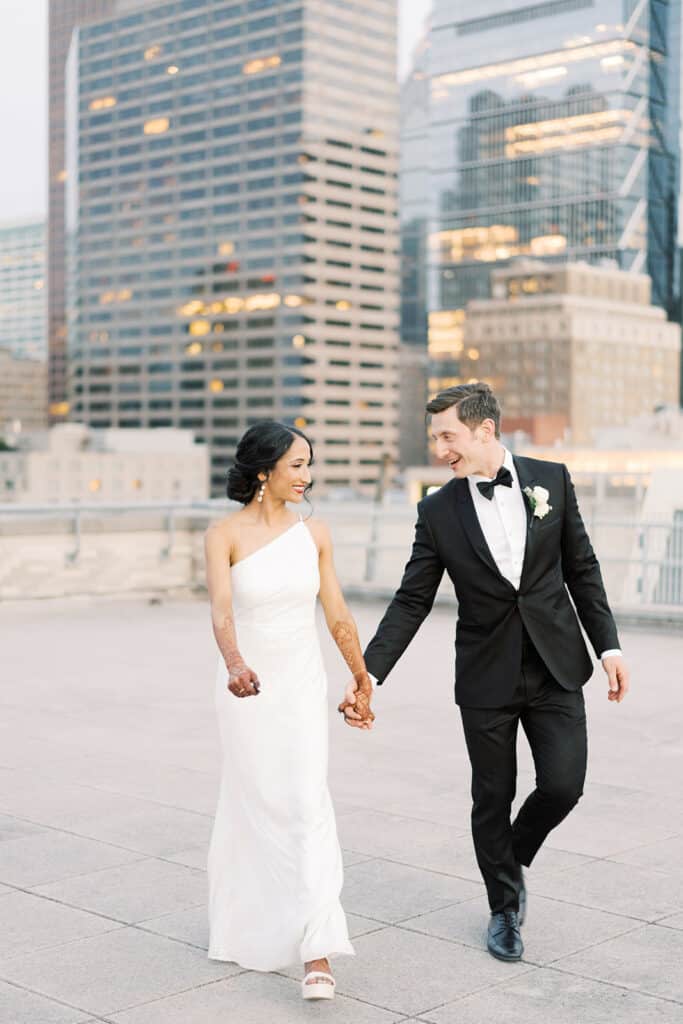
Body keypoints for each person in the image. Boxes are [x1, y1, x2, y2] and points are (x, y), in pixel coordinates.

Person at [339, 382, 629, 962]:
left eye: (448, 436)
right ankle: (503, 907)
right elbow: (411, 600)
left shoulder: (553, 479)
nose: (441, 448)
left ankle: (510, 858)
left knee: (563, 786)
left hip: (556, 665)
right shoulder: (437, 509)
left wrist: (610, 649)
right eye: (436, 437)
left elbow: (583, 568)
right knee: (491, 797)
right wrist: (368, 672)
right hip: (485, 675)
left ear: (485, 430)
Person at [205, 420, 374, 1000]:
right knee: (257, 799)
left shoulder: (316, 533)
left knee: (305, 801)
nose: (307, 475)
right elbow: (223, 613)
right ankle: (255, 920)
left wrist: (360, 675)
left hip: (302, 683)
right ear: (263, 471)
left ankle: (316, 948)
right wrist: (233, 662)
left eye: (309, 464)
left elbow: (337, 613)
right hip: (247, 688)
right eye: (296, 465)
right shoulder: (222, 535)